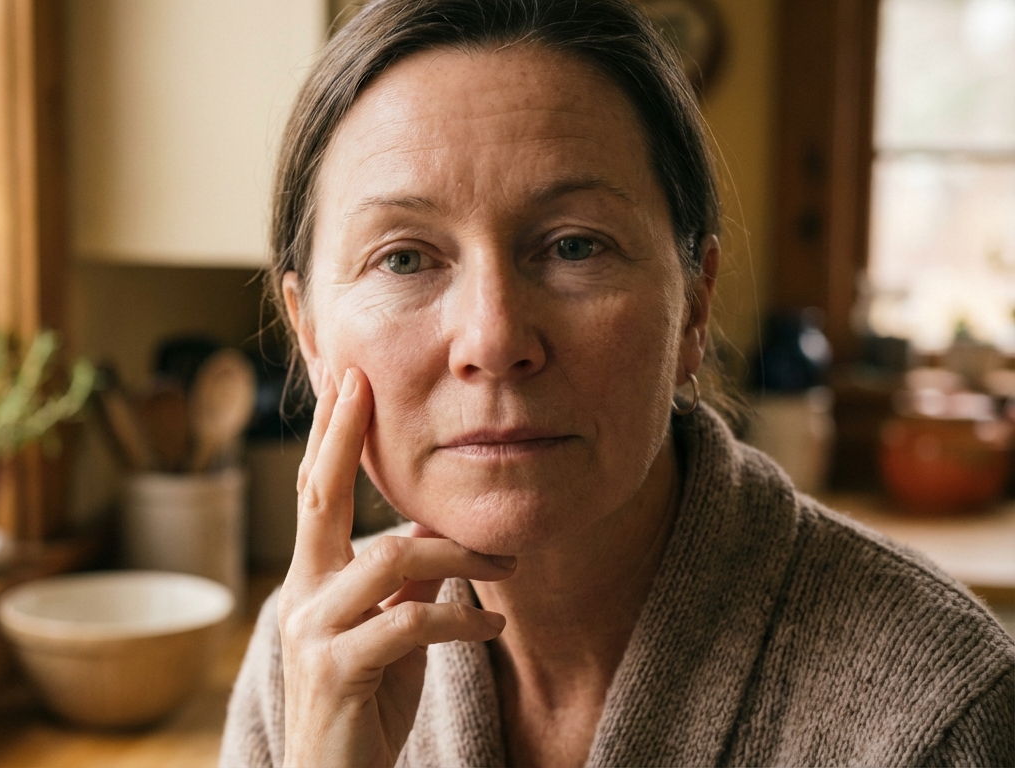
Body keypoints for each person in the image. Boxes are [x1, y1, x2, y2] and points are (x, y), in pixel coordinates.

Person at [220, 1, 1015, 765]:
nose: (494, 339)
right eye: (403, 258)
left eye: (574, 247)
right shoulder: (309, 661)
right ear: (312, 335)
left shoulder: (941, 718)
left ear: (695, 303)